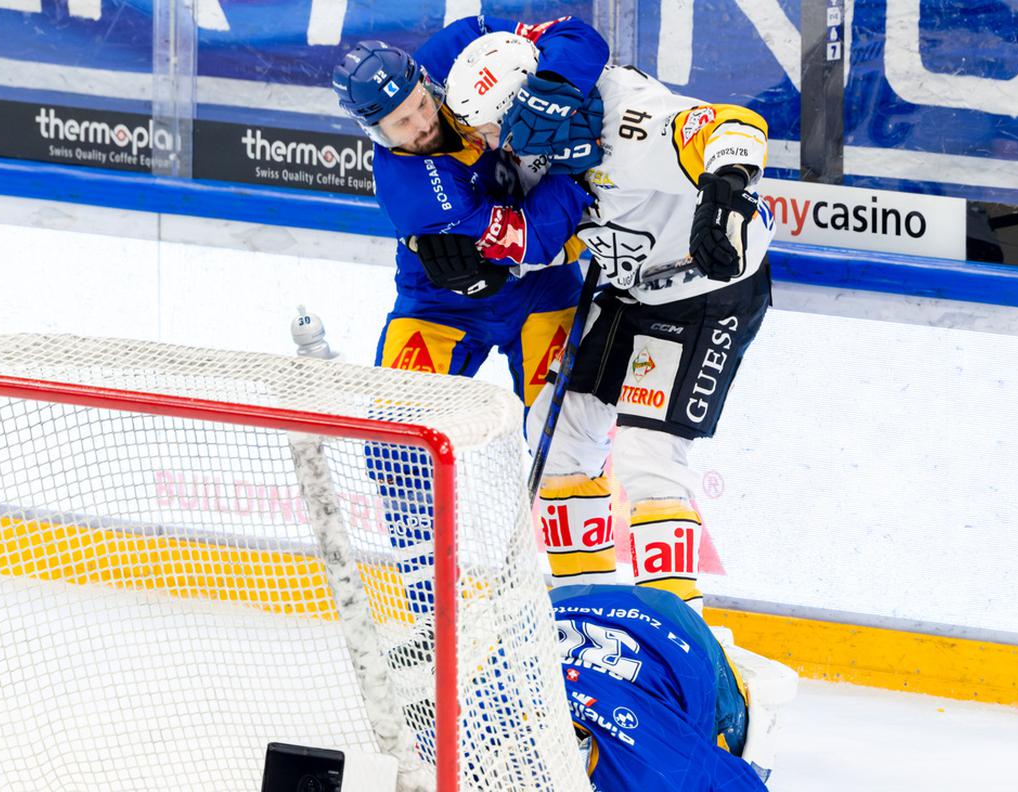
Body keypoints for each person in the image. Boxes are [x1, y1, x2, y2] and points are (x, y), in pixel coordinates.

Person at [445, 34, 776, 611]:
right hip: (626, 288)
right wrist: (483, 263)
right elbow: (559, 228)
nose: (487, 145)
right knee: (556, 432)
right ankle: (580, 608)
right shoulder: (535, 142)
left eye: (492, 129)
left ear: (525, 106)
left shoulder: (629, 118)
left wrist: (723, 197)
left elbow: (736, 127)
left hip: (706, 291)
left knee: (648, 455)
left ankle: (678, 632)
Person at [330, 16, 609, 618]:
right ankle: (435, 615)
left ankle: (588, 608)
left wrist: (554, 86)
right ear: (371, 131)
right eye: (400, 124)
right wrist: (570, 165)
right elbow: (534, 239)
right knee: (398, 444)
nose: (422, 122)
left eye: (420, 103)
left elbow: (577, 34)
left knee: (569, 446)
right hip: (440, 304)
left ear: (424, 77)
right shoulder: (410, 188)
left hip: (546, 293)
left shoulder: (460, 49)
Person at [553, 583, 786, 789]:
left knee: (742, 747)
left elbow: (735, 780)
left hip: (671, 626)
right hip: (557, 607)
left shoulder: (657, 772)